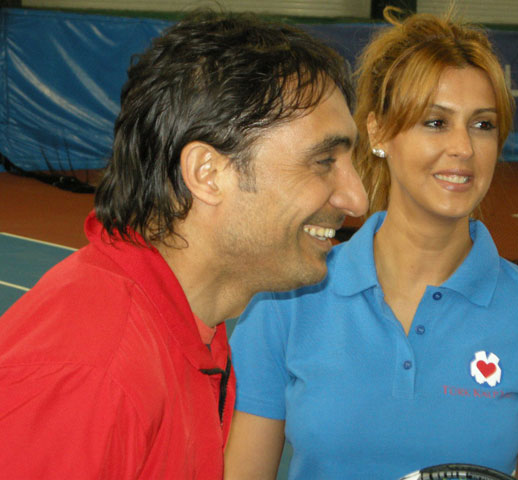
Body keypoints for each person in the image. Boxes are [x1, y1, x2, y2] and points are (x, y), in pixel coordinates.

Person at [0, 10, 367, 479]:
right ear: (208, 174)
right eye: (324, 161)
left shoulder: (188, 329)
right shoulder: (91, 375)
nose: (356, 198)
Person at [226, 7, 518, 480]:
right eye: (436, 122)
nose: (463, 148)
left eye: (482, 124)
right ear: (378, 131)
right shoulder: (282, 299)